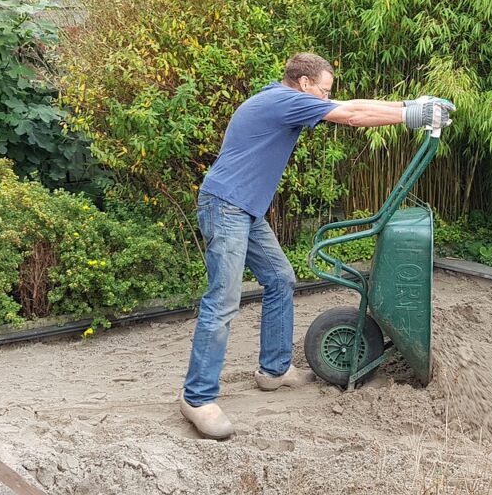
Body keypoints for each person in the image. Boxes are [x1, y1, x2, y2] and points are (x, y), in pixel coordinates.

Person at [180, 52, 451, 439]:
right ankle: (197, 399)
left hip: (244, 209)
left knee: (279, 279)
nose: (326, 99)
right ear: (305, 84)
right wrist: (413, 117)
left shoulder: (282, 98)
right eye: (323, 92)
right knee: (223, 301)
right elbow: (353, 115)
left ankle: (274, 371)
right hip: (226, 208)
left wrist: (413, 105)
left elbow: (351, 106)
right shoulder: (282, 100)